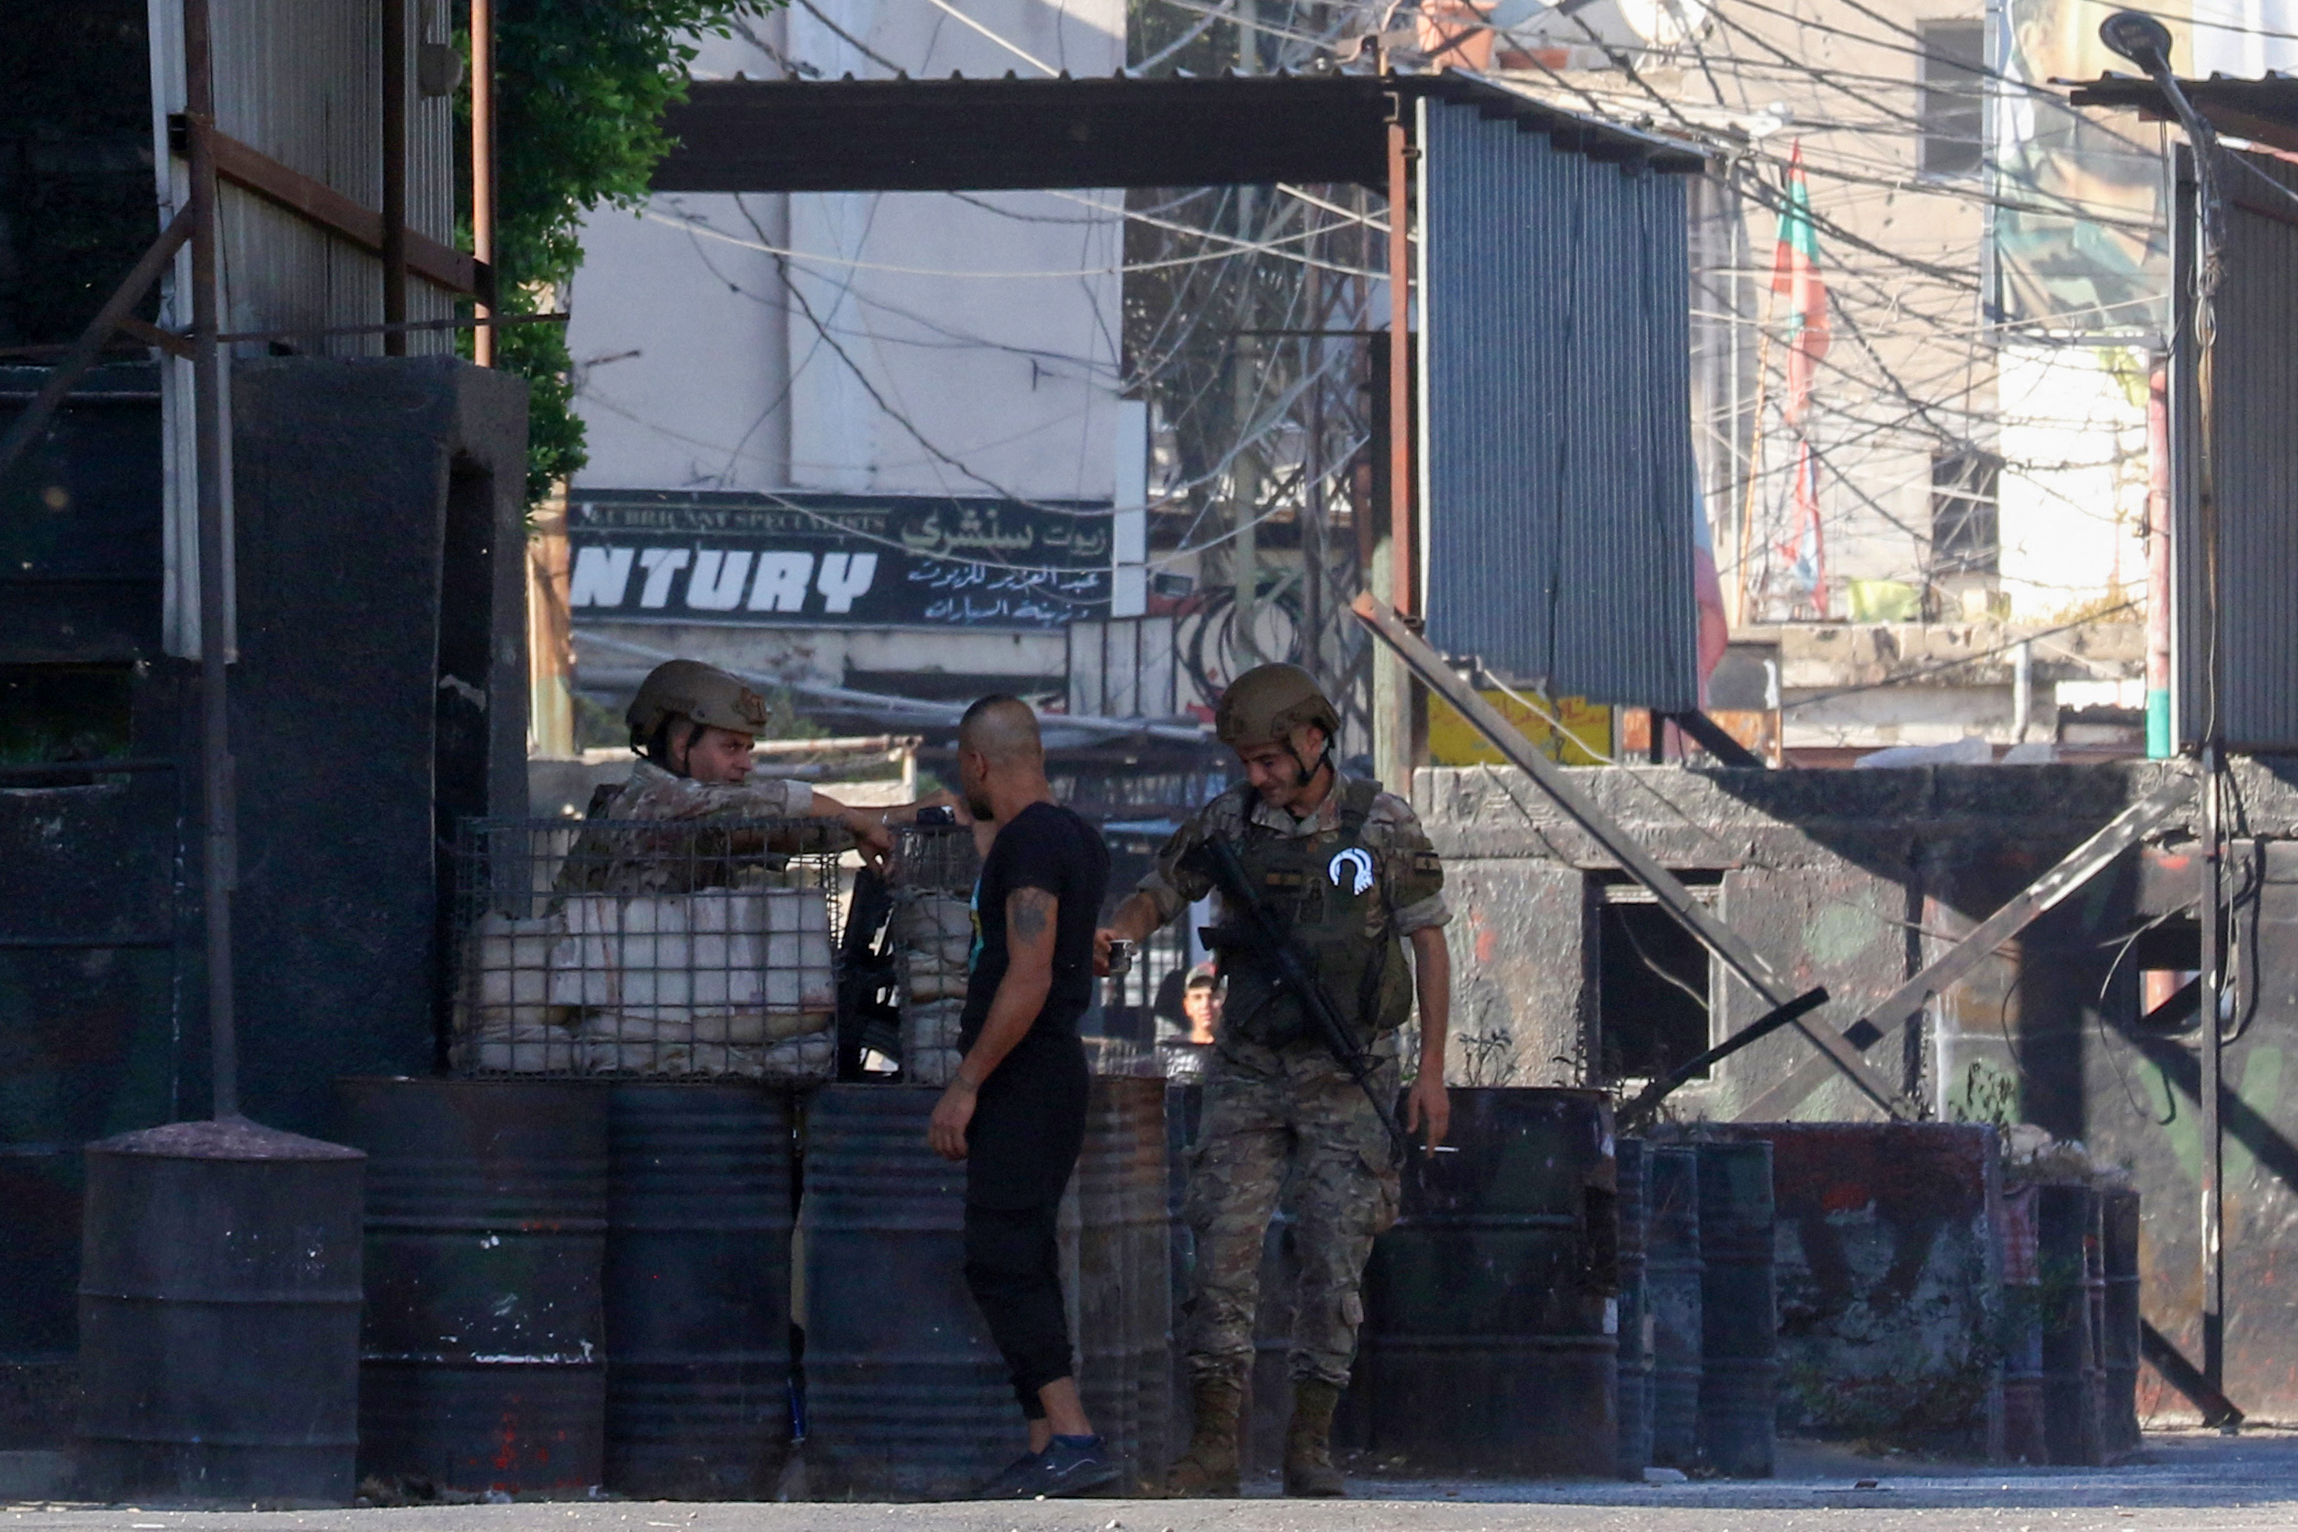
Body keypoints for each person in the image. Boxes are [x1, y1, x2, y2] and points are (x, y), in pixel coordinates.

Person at [1093, 662, 1453, 1499]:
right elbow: (1162, 888)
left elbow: (1428, 944)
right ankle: (1215, 1446)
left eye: (1268, 760)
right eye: (1246, 763)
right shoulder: (1230, 822)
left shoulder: (1382, 824)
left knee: (1336, 1258)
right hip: (1250, 1069)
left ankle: (1310, 1447)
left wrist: (1432, 1071)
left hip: (1350, 1070)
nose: (1256, 777)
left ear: (1312, 740)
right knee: (1219, 1251)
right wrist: (1121, 931)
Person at [924, 695, 1118, 1500]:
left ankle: (1073, 1433)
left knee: (1001, 1254)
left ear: (978, 764)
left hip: (1024, 1074)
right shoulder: (1072, 833)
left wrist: (966, 1083)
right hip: (1046, 1073)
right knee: (1023, 1252)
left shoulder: (1030, 840)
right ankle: (1046, 1445)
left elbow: (1028, 974)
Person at [560, 659, 937, 893]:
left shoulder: (704, 821)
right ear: (680, 744)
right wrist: (859, 822)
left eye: (747, 749)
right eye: (730, 748)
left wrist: (897, 819)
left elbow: (795, 831)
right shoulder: (655, 803)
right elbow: (778, 800)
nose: (746, 764)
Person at [1158, 962, 1222, 1080]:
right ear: (1187, 1006)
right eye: (1197, 997)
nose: (1205, 1005)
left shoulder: (1240, 1054)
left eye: (1213, 997)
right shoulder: (1170, 1053)